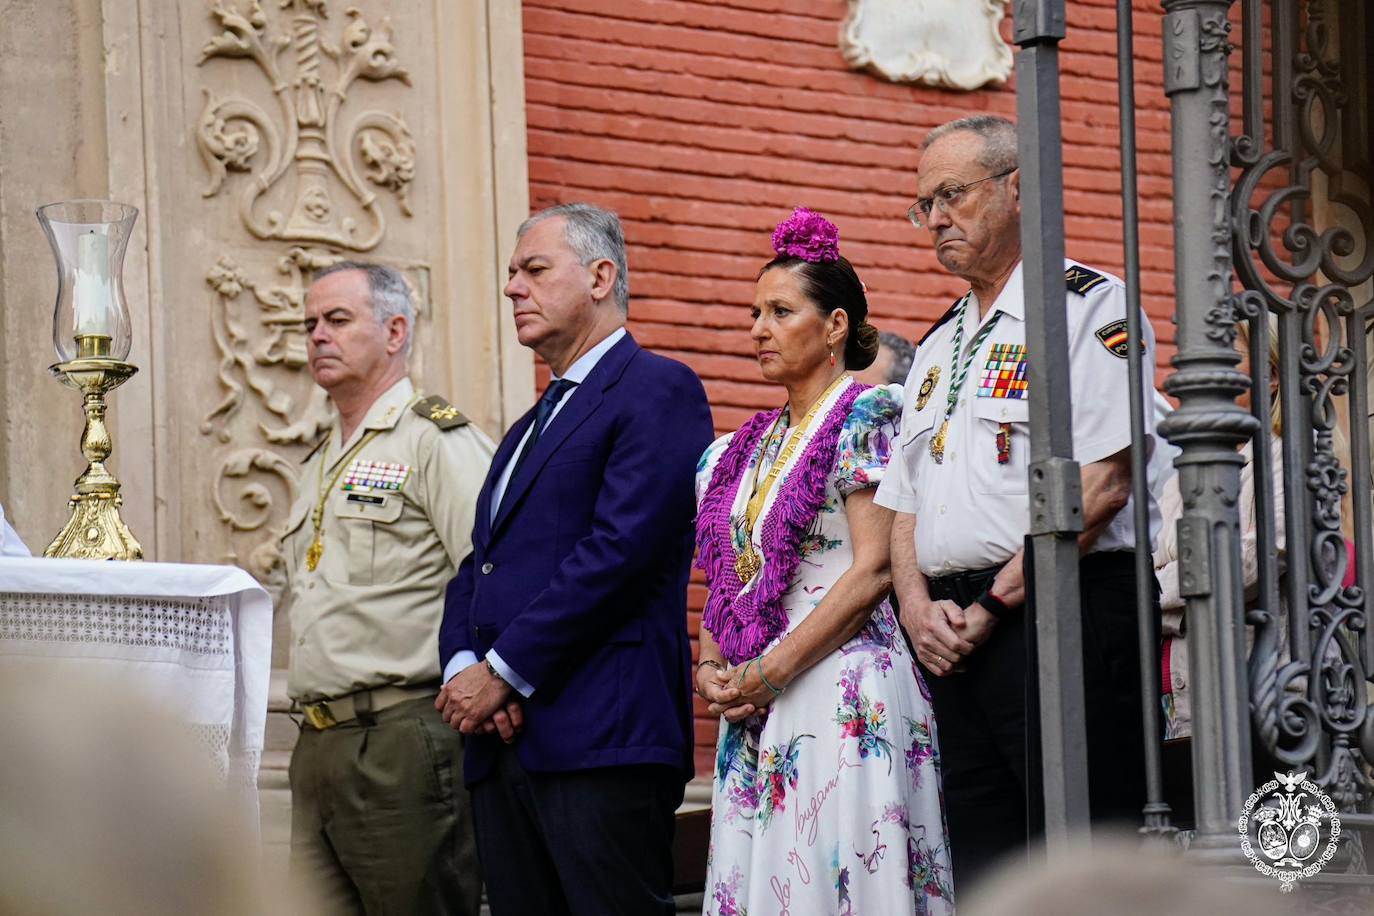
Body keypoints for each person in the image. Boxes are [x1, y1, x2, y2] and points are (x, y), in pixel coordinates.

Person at [876, 115, 1158, 888]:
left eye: (952, 195)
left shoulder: (1089, 309)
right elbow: (904, 503)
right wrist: (914, 606)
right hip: (951, 632)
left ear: (1016, 188)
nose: (934, 219)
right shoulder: (934, 348)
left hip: (1059, 610)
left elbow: (1103, 484)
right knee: (984, 864)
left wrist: (995, 605)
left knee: (1081, 856)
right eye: (922, 204)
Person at [436, 202, 714, 914]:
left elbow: (621, 550)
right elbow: (480, 565)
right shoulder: (530, 424)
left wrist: (504, 671)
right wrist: (467, 667)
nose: (511, 289)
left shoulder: (658, 387)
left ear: (600, 276)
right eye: (509, 274)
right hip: (505, 742)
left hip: (602, 737)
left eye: (532, 270)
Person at [696, 207, 953, 916]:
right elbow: (722, 576)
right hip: (754, 702)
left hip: (843, 686)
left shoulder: (869, 415)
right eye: (755, 312)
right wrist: (712, 669)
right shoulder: (736, 449)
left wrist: (766, 673)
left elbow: (873, 570)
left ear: (836, 325)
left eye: (781, 310)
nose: (758, 327)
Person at [280, 261, 494, 915]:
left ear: (396, 330)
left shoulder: (435, 439)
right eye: (310, 323)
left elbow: (491, 570)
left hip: (402, 737)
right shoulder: (320, 458)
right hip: (318, 747)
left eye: (337, 320)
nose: (317, 335)